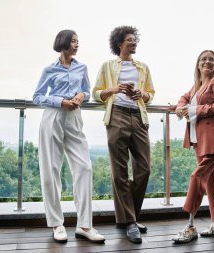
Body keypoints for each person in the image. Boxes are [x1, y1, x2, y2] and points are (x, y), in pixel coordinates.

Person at [32, 29, 105, 244]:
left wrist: (82, 95)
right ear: (63, 43)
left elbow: (87, 91)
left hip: (75, 118)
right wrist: (61, 102)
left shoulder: (82, 67)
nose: (77, 44)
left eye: (77, 41)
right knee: (50, 171)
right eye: (74, 41)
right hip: (53, 118)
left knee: (85, 167)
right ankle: (57, 223)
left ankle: (85, 225)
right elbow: (37, 97)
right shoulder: (49, 69)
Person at [93, 26, 155, 244]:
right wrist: (115, 89)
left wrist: (141, 94)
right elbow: (97, 93)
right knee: (119, 171)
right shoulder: (107, 66)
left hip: (138, 116)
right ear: (120, 43)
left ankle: (129, 218)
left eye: (135, 40)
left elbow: (150, 95)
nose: (134, 43)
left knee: (144, 168)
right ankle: (130, 222)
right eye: (130, 40)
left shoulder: (143, 67)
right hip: (117, 115)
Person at [172, 50, 214, 243]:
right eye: (203, 59)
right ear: (198, 64)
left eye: (211, 59)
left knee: (197, 176)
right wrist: (182, 106)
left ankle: (190, 226)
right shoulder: (197, 86)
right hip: (199, 139)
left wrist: (195, 109)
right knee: (212, 181)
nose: (207, 62)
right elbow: (184, 98)